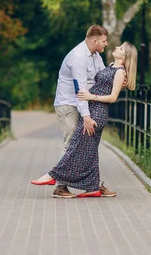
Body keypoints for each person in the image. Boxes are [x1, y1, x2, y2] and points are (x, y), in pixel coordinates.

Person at [31, 42, 138, 198]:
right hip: (92, 109)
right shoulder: (110, 66)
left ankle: (52, 176)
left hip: (97, 113)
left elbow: (113, 97)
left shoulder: (120, 72)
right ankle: (93, 187)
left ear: (126, 56)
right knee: (90, 151)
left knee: (76, 147)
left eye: (121, 48)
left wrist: (91, 96)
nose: (116, 47)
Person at [31, 25, 108, 198]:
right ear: (94, 40)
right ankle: (60, 186)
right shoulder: (78, 57)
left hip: (83, 102)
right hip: (68, 104)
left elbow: (102, 76)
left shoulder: (96, 56)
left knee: (89, 144)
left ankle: (93, 184)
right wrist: (87, 117)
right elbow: (79, 90)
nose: (106, 44)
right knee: (72, 142)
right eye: (104, 41)